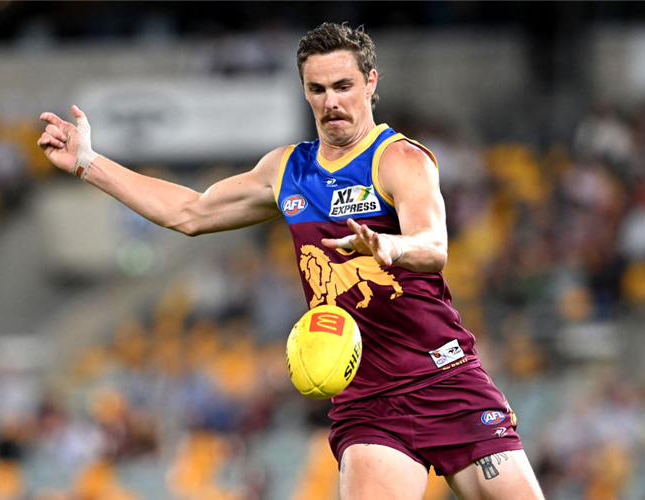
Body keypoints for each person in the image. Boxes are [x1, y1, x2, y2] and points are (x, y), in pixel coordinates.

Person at [38, 22, 545, 500]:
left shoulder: (400, 160)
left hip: (445, 379)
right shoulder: (286, 170)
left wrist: (390, 248)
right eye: (317, 89)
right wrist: (88, 162)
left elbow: (434, 247)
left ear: (371, 83)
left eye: (343, 86)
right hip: (367, 399)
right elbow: (188, 212)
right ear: (304, 90)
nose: (332, 102)